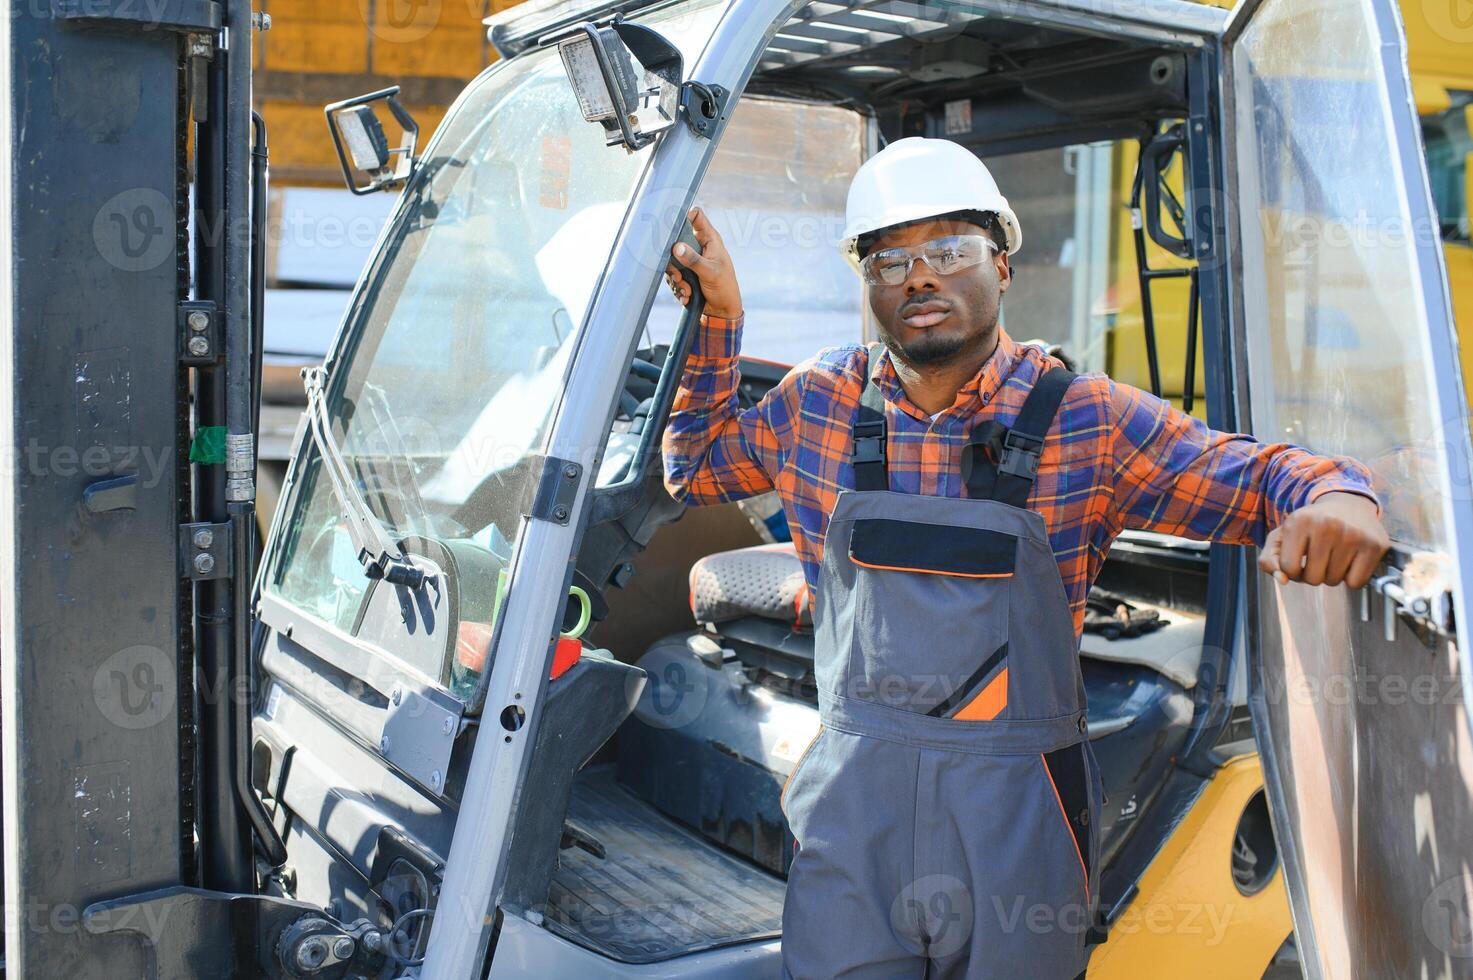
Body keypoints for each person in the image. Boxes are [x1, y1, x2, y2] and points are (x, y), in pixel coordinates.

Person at [661, 136, 1388, 979]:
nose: (918, 277)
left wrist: (1338, 499)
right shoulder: (816, 403)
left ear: (1002, 266)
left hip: (1017, 818)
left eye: (948, 251)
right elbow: (696, 465)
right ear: (867, 284)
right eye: (889, 261)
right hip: (853, 808)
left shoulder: (1088, 421)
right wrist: (716, 318)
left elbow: (1264, 479)